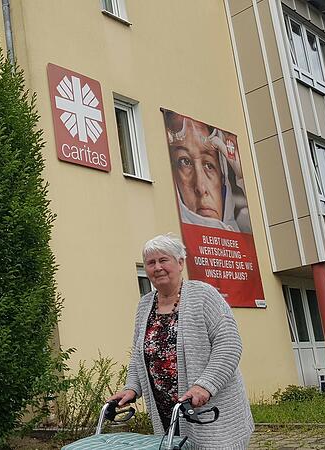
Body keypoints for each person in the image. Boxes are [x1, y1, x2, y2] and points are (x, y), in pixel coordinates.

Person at [107, 234, 254, 449]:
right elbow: (140, 355)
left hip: (207, 408)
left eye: (163, 260)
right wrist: (132, 388)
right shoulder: (145, 305)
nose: (157, 267)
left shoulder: (204, 295)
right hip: (168, 410)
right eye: (151, 263)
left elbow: (229, 345)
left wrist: (205, 386)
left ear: (180, 263)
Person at [164, 111, 251, 233]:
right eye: (185, 162)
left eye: (209, 165)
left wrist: (242, 177)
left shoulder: (245, 230)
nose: (201, 187)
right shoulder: (168, 247)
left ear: (223, 182)